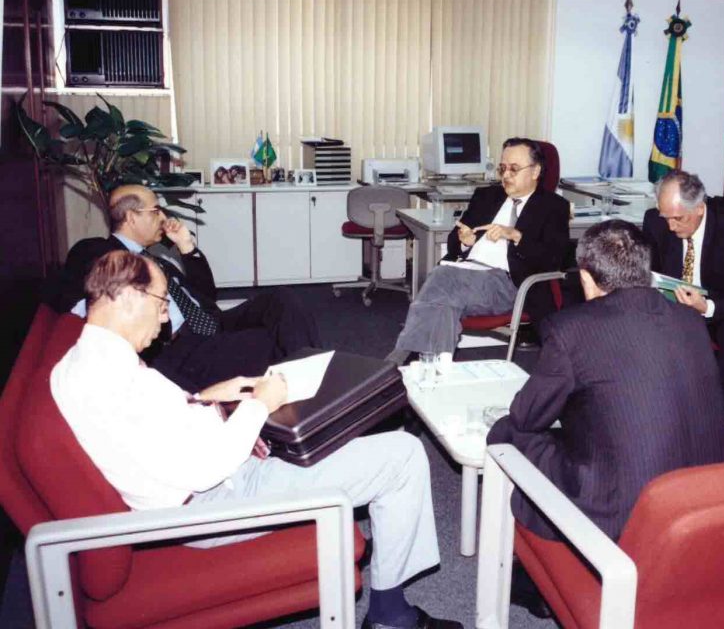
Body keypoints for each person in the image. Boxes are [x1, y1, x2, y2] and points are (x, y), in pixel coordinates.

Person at [51, 251, 461, 629]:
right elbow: (202, 470)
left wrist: (210, 398)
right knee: (404, 455)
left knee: (330, 430)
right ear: (128, 297)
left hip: (211, 482)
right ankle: (390, 615)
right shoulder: (111, 379)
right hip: (214, 504)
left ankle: (383, 539)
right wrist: (258, 407)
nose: (164, 320)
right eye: (161, 304)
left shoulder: (86, 361)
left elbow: (156, 428)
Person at [487, 219, 724, 542]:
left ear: (586, 278)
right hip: (707, 496)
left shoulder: (570, 329)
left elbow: (526, 415)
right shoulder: (690, 319)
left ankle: (506, 549)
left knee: (509, 429)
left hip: (624, 514)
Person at [55, 184, 321, 391]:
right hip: (182, 347)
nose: (163, 217)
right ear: (131, 217)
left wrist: (186, 246)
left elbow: (207, 295)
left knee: (282, 299)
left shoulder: (156, 259)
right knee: (274, 342)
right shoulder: (101, 252)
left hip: (211, 322)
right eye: (155, 211)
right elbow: (64, 291)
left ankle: (317, 381)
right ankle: (318, 393)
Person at [388, 138, 570, 363]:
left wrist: (516, 236)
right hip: (463, 275)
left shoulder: (553, 207)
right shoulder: (487, 196)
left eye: (514, 169)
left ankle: (399, 363)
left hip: (508, 283)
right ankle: (436, 367)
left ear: (535, 171)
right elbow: (455, 240)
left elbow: (554, 259)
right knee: (442, 304)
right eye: (502, 168)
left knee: (441, 278)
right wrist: (465, 241)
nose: (506, 175)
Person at [642, 170, 724, 417]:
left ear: (699, 208)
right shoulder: (656, 222)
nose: (671, 226)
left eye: (678, 218)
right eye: (666, 217)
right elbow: (650, 272)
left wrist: (707, 307)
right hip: (674, 304)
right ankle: (653, 411)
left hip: (721, 308)